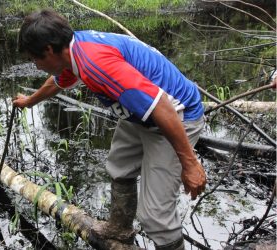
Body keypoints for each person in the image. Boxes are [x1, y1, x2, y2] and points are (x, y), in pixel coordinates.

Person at [13, 9, 206, 250]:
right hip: (141, 113)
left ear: (49, 50)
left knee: (155, 215)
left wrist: (190, 163)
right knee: (120, 166)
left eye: (35, 59)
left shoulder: (96, 65)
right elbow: (57, 80)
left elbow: (162, 107)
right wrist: (29, 101)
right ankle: (120, 228)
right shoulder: (73, 51)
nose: (36, 65)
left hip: (175, 117)